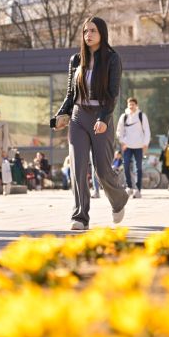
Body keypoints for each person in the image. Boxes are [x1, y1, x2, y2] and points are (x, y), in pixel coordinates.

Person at [53, 17, 128, 230]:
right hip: (78, 116)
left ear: (102, 33)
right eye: (85, 31)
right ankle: (80, 216)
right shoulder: (76, 60)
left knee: (102, 170)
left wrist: (104, 119)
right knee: (77, 167)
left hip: (100, 115)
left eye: (93, 30)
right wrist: (60, 116)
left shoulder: (113, 59)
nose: (88, 35)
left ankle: (119, 198)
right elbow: (70, 94)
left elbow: (113, 93)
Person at [116, 97, 151, 198]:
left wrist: (145, 144)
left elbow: (147, 130)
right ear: (128, 105)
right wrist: (122, 142)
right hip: (127, 146)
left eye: (133, 104)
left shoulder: (141, 115)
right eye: (129, 104)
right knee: (126, 166)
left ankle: (138, 189)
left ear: (136, 105)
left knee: (138, 168)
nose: (131, 106)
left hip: (139, 146)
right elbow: (119, 131)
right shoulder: (124, 116)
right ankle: (129, 187)